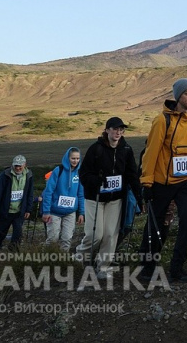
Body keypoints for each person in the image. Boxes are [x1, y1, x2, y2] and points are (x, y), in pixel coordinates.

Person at [139, 80, 187, 284]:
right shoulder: (162, 121)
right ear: (178, 96)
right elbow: (151, 153)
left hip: (186, 182)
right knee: (156, 224)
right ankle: (147, 267)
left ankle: (177, 269)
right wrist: (147, 183)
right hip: (163, 182)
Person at [77, 117, 143, 279]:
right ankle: (80, 254)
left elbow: (132, 175)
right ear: (107, 130)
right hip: (95, 198)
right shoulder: (96, 149)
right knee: (96, 235)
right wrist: (97, 181)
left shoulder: (126, 149)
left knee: (110, 235)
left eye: (121, 129)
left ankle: (103, 268)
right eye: (114, 129)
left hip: (116, 199)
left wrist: (139, 197)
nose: (118, 132)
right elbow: (83, 174)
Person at [0, 155, 34, 254]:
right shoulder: (5, 175)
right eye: (16, 165)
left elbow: (30, 193)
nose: (17, 168)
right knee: (0, 234)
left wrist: (28, 209)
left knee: (17, 234)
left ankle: (13, 253)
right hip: (5, 212)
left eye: (20, 166)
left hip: (19, 212)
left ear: (25, 165)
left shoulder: (29, 175)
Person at [41, 147, 86, 252]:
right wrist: (46, 211)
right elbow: (48, 192)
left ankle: (62, 262)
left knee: (67, 239)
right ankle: (45, 259)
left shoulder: (80, 173)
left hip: (70, 212)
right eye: (73, 158)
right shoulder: (58, 171)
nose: (75, 161)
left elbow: (81, 194)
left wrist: (81, 212)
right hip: (54, 211)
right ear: (67, 158)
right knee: (53, 238)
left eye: (77, 158)